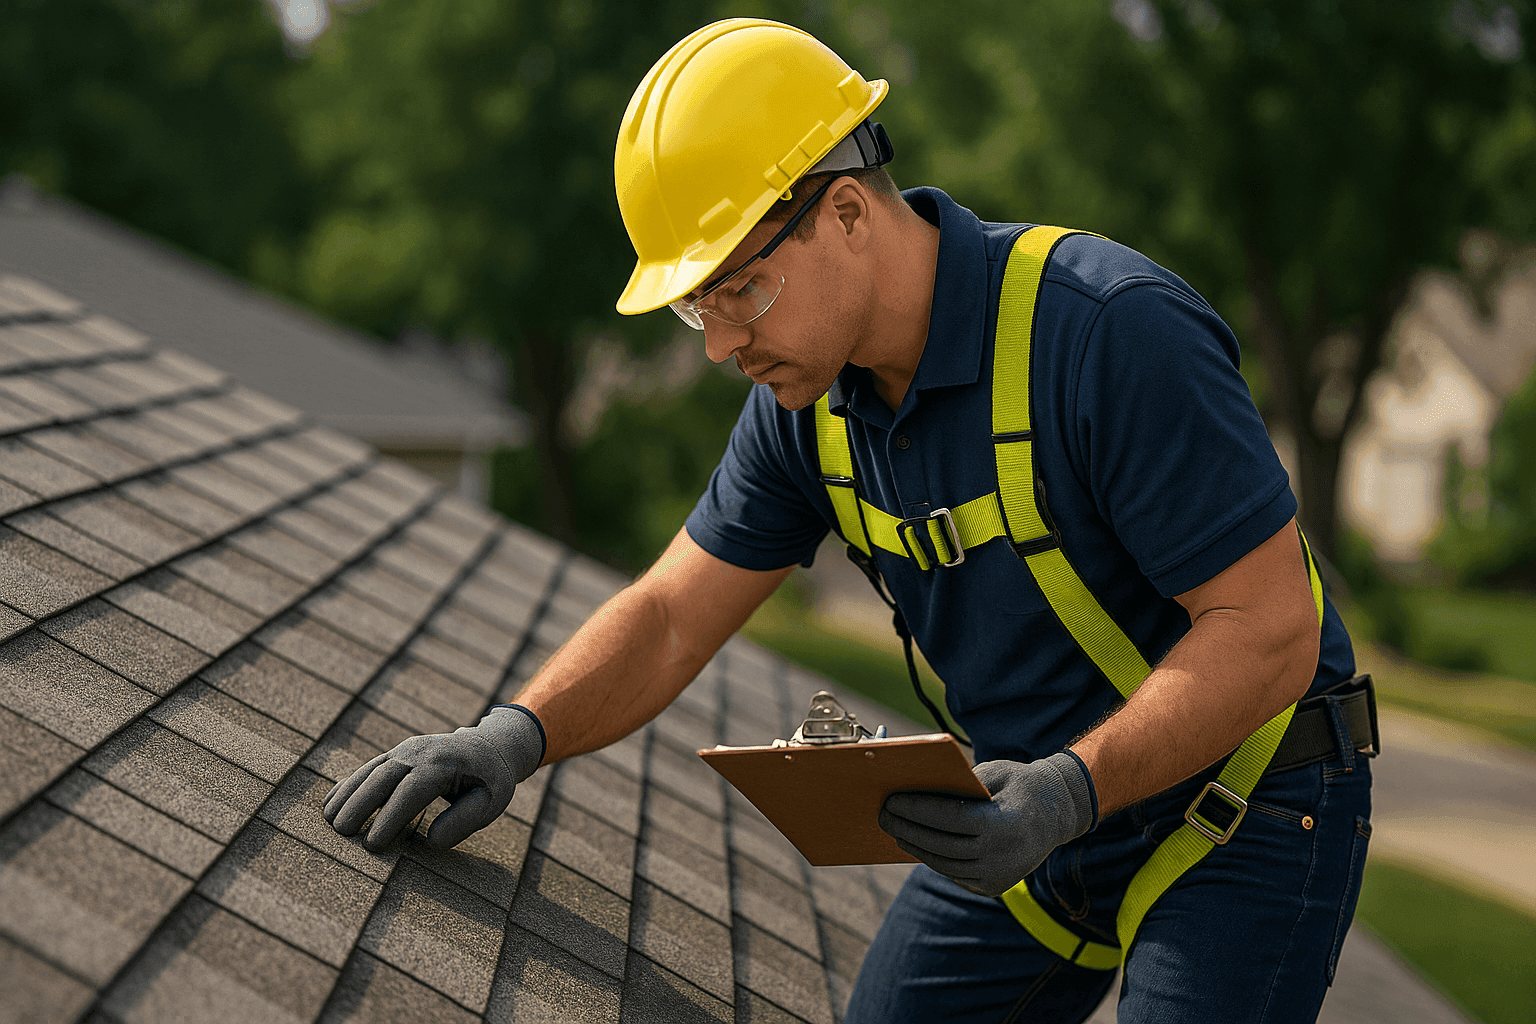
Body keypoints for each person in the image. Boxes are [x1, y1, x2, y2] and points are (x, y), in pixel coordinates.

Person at [325, 18, 1377, 1023]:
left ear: (845, 213)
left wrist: (1068, 792)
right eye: (699, 306)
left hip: (1247, 798)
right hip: (1026, 801)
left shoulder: (1105, 333)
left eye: (741, 290)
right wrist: (514, 734)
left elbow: (1270, 630)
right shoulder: (806, 413)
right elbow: (671, 616)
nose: (719, 343)